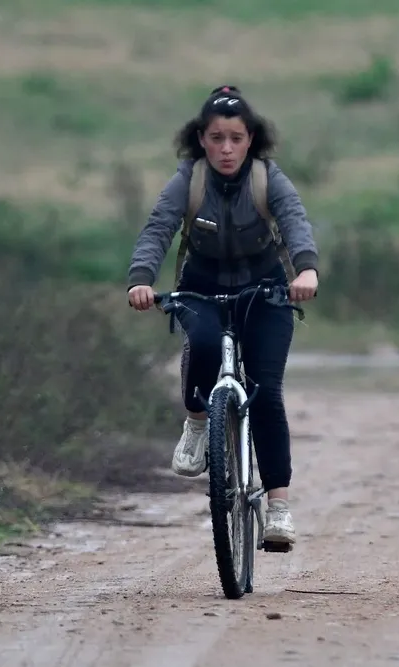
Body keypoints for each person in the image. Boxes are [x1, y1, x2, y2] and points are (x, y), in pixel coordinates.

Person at [126, 85, 319, 546]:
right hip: (203, 286)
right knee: (206, 346)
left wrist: (307, 269)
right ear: (202, 140)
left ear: (250, 138)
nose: (226, 148)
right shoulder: (188, 181)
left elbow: (294, 220)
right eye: (216, 138)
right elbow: (159, 227)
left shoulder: (267, 178)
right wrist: (140, 279)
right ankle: (197, 421)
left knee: (266, 394)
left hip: (266, 289)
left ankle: (278, 509)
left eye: (235, 138)